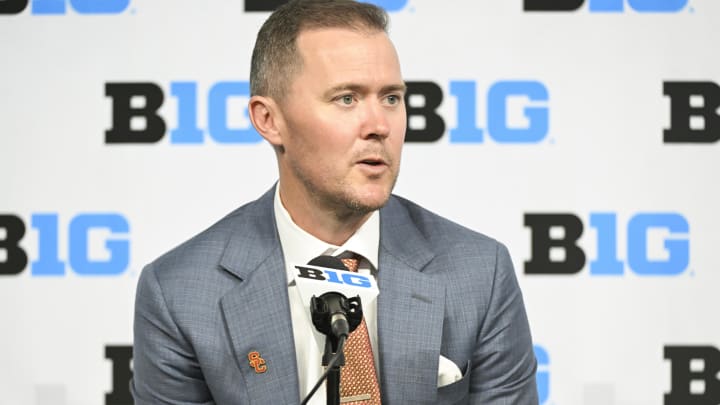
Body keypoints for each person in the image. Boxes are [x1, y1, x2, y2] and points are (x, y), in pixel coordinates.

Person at [131, 0, 538, 404]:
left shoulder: (480, 274)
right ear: (269, 120)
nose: (379, 126)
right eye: (347, 98)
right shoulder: (180, 295)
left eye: (392, 98)